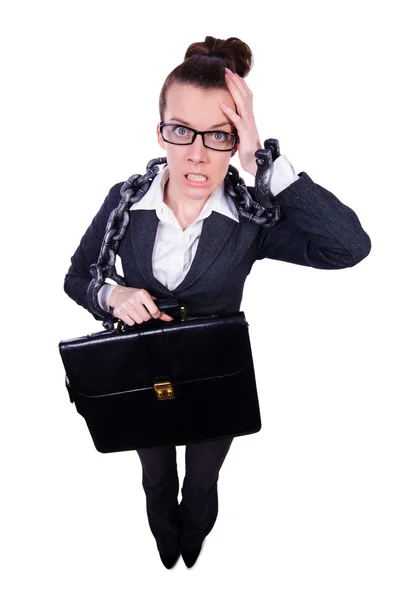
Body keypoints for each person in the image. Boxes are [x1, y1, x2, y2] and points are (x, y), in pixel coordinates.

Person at [63, 35, 371, 570]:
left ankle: (193, 538)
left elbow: (348, 247)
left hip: (216, 380)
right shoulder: (125, 200)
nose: (197, 154)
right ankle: (164, 532)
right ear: (160, 131)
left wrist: (263, 160)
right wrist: (112, 293)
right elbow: (77, 276)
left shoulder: (253, 220)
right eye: (181, 130)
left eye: (219, 135)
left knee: (203, 479)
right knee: (156, 474)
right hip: (144, 373)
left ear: (236, 141)